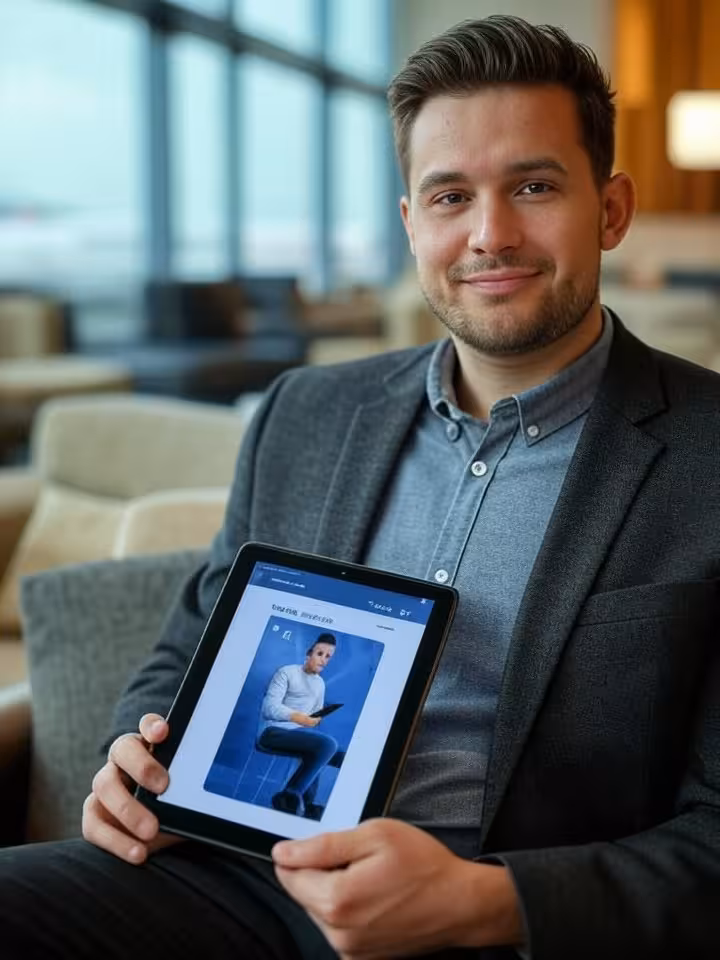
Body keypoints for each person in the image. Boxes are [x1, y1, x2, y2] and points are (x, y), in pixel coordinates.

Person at [2, 13, 720, 960]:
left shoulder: (706, 456)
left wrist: (486, 902)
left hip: (505, 918)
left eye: (534, 186)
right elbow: (193, 643)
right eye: (450, 195)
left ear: (612, 208)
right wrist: (131, 759)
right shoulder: (306, 412)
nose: (490, 234)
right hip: (232, 883)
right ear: (411, 223)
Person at [257, 634, 342, 818]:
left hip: (298, 733)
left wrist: (317, 717)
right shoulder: (286, 672)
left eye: (328, 656)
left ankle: (307, 805)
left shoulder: (320, 684)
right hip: (272, 732)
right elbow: (269, 708)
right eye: (320, 653)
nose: (323, 660)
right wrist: (297, 717)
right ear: (308, 653)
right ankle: (290, 795)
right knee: (328, 745)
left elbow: (313, 715)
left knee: (340, 756)